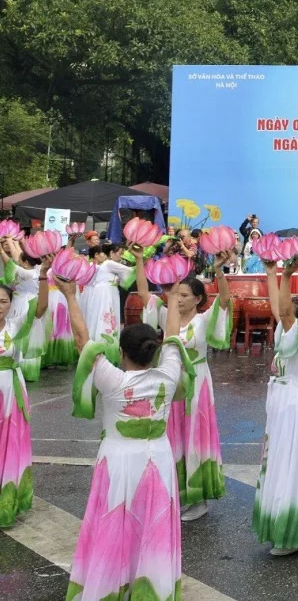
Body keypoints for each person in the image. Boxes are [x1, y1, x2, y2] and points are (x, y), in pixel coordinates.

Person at [66, 281, 186, 600]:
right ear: (155, 350)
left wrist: (68, 295)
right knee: (152, 530)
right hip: (158, 461)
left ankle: (108, 588)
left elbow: (83, 341)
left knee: (114, 528)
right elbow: (173, 336)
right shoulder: (169, 374)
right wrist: (172, 298)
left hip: (118, 463)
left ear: (120, 353)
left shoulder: (113, 379)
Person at [135, 244, 232, 520]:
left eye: (184, 295)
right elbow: (145, 295)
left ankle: (199, 497)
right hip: (170, 381)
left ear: (198, 299)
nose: (177, 299)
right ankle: (177, 493)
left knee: (194, 438)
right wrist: (141, 260)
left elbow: (224, 301)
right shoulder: (167, 316)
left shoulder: (204, 320)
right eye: (175, 293)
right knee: (172, 436)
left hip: (197, 382)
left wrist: (218, 272)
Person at [254, 259, 298, 555]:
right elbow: (278, 309)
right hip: (284, 407)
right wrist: (272, 273)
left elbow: (283, 312)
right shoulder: (289, 334)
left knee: (292, 466)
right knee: (281, 464)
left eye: (293, 311)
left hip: (296, 409)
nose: (285, 313)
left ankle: (292, 532)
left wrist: (286, 274)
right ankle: (286, 528)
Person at [0, 256, 48, 528]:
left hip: (10, 396)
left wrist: (43, 277)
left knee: (9, 447)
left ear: (11, 303)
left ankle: (7, 502)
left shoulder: (15, 326)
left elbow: (40, 308)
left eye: (3, 301)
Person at [80, 243, 133, 344]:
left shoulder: (109, 265)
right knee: (105, 314)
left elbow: (124, 282)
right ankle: (103, 341)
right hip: (105, 292)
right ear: (112, 253)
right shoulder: (109, 263)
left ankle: (106, 340)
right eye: (120, 253)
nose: (121, 256)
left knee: (108, 314)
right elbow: (129, 271)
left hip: (110, 292)